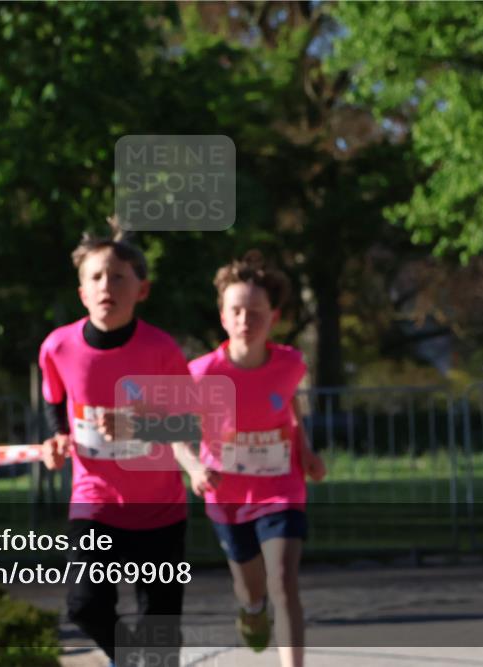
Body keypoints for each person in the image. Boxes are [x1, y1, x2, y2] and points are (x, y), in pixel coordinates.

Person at [39, 219, 193, 667]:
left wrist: (135, 425)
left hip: (159, 506)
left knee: (160, 626)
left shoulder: (162, 350)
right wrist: (58, 438)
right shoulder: (57, 347)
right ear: (82, 291)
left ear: (141, 290)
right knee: (85, 607)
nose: (107, 286)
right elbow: (55, 401)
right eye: (96, 277)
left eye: (119, 277)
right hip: (96, 501)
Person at [179, 251, 326, 667]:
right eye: (237, 311)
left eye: (255, 312)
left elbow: (291, 408)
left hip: (281, 486)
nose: (246, 321)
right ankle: (252, 609)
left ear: (272, 317)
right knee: (252, 588)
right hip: (227, 493)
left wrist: (306, 450)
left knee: (284, 580)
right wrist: (194, 468)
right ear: (223, 317)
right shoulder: (201, 373)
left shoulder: (290, 363)